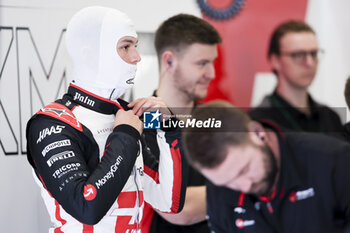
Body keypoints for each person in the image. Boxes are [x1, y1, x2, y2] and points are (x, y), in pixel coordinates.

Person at [26, 6, 186, 232]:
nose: (137, 57)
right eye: (125, 46)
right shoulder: (52, 123)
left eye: (136, 47)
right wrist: (126, 136)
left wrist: (169, 129)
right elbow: (87, 208)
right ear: (90, 53)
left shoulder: (127, 113)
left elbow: (169, 202)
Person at [182, 100, 350, 233]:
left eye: (244, 169)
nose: (244, 186)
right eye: (227, 182)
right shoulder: (218, 193)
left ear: (257, 133)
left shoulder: (334, 162)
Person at [140, 14, 222, 233]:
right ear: (169, 61)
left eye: (212, 62)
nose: (211, 74)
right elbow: (177, 208)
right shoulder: (140, 125)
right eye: (202, 63)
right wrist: (239, 190)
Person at [250, 20, 343, 133]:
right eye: (298, 55)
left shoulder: (331, 118)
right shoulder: (259, 122)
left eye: (313, 54)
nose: (310, 63)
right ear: (275, 60)